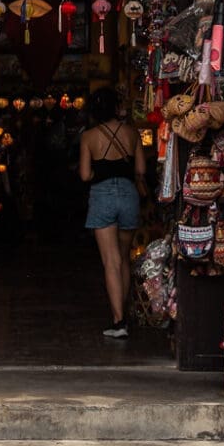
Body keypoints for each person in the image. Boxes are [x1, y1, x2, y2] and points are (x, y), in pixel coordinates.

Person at [78, 86, 145, 340]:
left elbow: (85, 175)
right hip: (129, 195)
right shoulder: (132, 133)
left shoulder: (89, 137)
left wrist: (100, 174)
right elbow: (139, 170)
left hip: (103, 196)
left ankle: (118, 322)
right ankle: (124, 314)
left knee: (111, 261)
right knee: (124, 258)